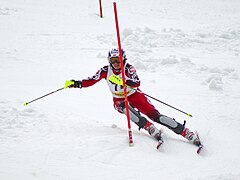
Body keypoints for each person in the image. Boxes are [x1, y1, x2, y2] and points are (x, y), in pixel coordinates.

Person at [65, 48, 201, 148]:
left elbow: (136, 82)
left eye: (119, 60)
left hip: (134, 95)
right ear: (109, 61)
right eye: (113, 61)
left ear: (123, 59)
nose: (116, 63)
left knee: (156, 116)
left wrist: (124, 81)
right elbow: (91, 80)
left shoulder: (129, 68)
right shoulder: (105, 71)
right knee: (125, 109)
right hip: (119, 99)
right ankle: (149, 127)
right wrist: (77, 84)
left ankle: (185, 132)